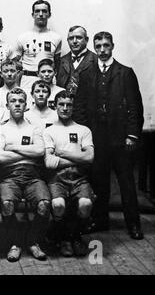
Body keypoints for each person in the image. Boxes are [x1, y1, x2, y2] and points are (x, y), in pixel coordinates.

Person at [74, 31, 144, 239]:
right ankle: (100, 221)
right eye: (99, 46)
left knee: (126, 183)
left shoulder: (125, 73)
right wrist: (86, 136)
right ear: (94, 48)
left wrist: (132, 135)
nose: (102, 50)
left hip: (120, 138)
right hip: (97, 138)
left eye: (106, 45)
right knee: (99, 181)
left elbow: (135, 107)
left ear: (113, 46)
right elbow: (80, 108)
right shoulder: (87, 74)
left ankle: (133, 224)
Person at [0, 87, 51, 261]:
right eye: (13, 101)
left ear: (26, 105)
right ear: (7, 105)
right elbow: (0, 157)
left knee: (44, 204)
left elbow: (40, 151)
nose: (17, 104)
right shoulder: (1, 130)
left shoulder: (34, 128)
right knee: (6, 204)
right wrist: (27, 150)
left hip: (32, 175)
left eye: (20, 101)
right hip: (9, 175)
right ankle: (15, 243)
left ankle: (33, 241)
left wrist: (13, 147)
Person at [43, 91, 94, 257]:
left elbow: (90, 157)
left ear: (73, 107)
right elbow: (49, 163)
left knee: (85, 204)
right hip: (57, 178)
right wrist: (78, 157)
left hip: (79, 178)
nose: (65, 108)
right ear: (55, 106)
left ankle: (76, 237)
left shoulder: (83, 130)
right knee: (58, 205)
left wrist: (63, 153)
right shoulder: (49, 131)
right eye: (61, 105)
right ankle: (63, 239)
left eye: (69, 105)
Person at [15, 0, 62, 94]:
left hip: (48, 81)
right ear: (33, 15)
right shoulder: (23, 37)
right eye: (37, 11)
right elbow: (15, 63)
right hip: (28, 81)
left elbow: (57, 63)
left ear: (49, 14)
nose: (40, 14)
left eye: (44, 11)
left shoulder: (56, 38)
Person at [56, 26, 97, 95]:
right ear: (68, 41)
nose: (74, 41)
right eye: (71, 38)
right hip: (65, 104)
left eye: (78, 37)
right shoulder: (61, 61)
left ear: (86, 40)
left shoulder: (96, 60)